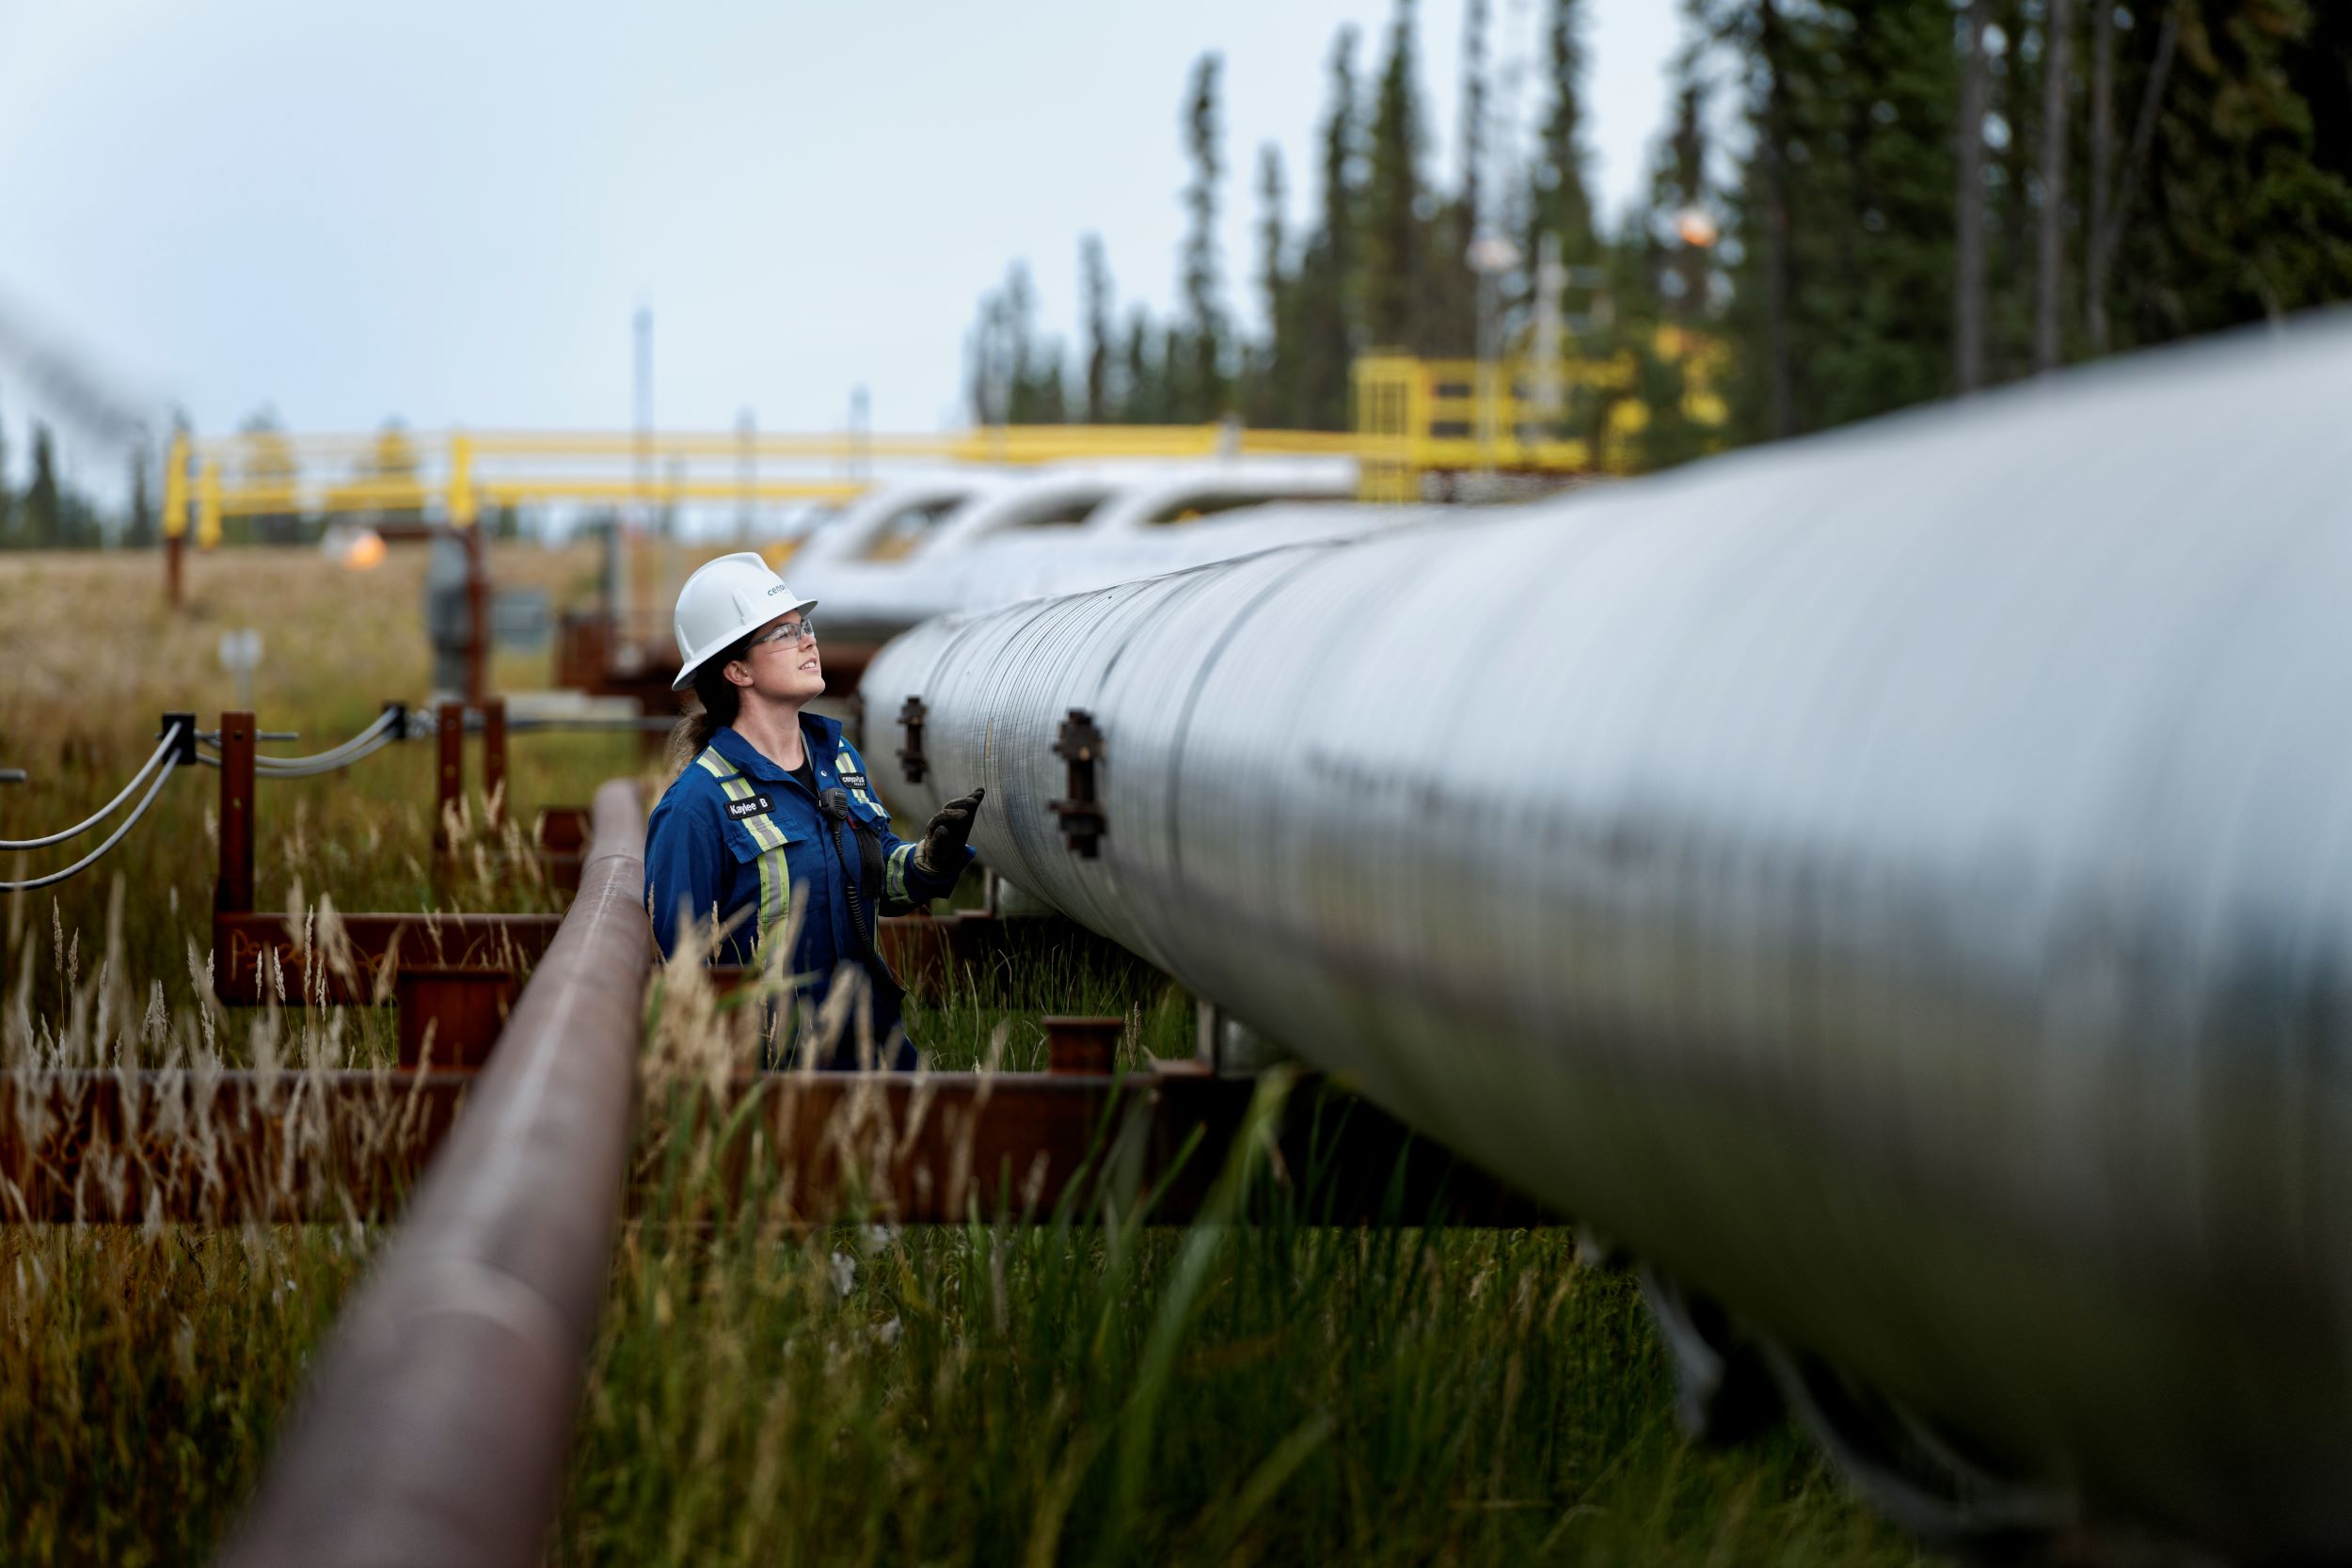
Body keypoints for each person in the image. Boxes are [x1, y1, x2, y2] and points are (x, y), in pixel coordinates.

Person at [644, 552, 983, 1068]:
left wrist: (925, 862)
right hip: (778, 1077)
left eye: (804, 625)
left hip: (876, 1053)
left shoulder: (838, 759)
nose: (808, 640)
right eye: (781, 634)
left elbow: (871, 876)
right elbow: (685, 973)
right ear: (736, 669)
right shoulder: (696, 807)